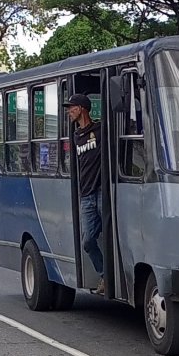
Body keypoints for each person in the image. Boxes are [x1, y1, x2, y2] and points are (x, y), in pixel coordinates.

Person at [64, 93, 104, 294]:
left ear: (81, 109)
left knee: (113, 236)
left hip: (102, 192)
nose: (69, 111)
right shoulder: (75, 136)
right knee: (88, 241)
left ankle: (114, 278)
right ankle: (104, 274)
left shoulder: (100, 130)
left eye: (71, 107)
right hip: (86, 195)